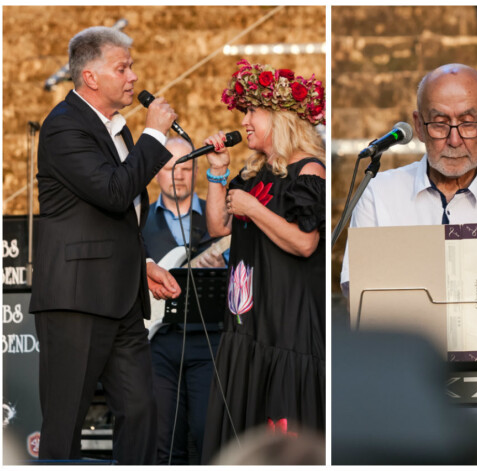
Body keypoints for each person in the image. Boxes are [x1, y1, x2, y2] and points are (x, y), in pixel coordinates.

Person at [340, 63, 477, 465]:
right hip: (397, 413)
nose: (454, 139)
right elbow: (361, 302)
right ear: (418, 126)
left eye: (469, 123)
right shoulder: (379, 194)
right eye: (439, 123)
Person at [29, 26, 181, 464]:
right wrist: (154, 136)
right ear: (91, 77)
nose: (133, 76)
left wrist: (144, 262)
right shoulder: (63, 127)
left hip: (122, 297)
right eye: (123, 67)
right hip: (76, 298)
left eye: (131, 66)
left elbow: (120, 213)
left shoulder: (117, 128)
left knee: (140, 410)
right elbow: (114, 191)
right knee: (65, 422)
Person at [200, 59, 326, 463]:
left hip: (286, 323)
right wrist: (219, 175)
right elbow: (219, 227)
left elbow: (306, 243)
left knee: (281, 426)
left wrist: (255, 209)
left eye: (254, 111)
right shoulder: (255, 172)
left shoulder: (309, 170)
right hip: (247, 324)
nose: (246, 121)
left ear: (282, 117)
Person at [142, 136, 227, 465]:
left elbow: (245, 276)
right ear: (156, 173)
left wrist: (224, 267)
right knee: (163, 441)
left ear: (195, 171)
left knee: (208, 437)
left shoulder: (217, 214)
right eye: (168, 167)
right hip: (157, 343)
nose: (177, 174)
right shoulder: (139, 220)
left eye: (186, 167)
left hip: (208, 341)